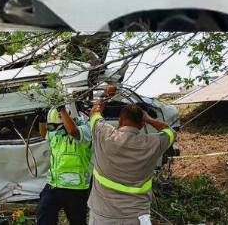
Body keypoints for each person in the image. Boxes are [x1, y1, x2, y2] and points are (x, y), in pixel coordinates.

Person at [88, 86, 176, 225]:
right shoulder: (152, 143)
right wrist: (149, 119)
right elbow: (170, 132)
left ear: (120, 121)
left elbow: (94, 112)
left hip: (103, 215)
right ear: (141, 125)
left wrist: (105, 95)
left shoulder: (105, 135)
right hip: (137, 217)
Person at [36, 98, 93, 225]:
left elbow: (73, 132)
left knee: (77, 221)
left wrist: (61, 109)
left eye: (57, 126)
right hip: (54, 185)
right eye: (52, 126)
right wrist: (41, 119)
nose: (54, 129)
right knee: (43, 216)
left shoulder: (84, 130)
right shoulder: (56, 133)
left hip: (75, 189)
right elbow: (44, 134)